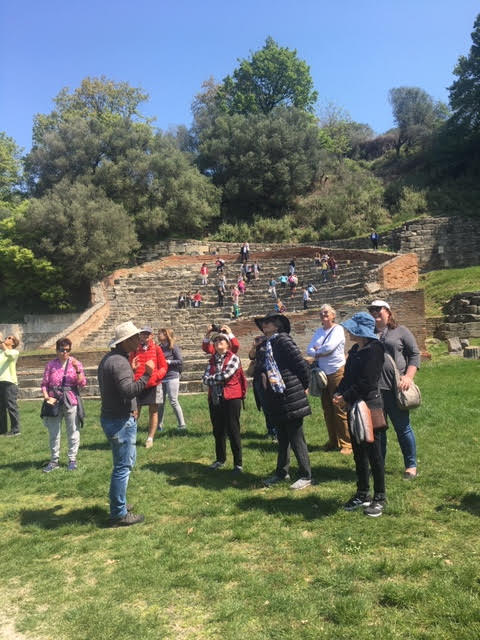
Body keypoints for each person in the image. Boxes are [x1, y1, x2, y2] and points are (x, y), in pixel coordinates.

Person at [98, 321, 154, 527]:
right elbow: (128, 390)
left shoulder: (111, 359)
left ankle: (118, 504)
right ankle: (118, 513)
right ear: (125, 341)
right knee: (123, 467)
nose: (139, 340)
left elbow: (118, 388)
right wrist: (147, 373)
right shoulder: (119, 362)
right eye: (135, 338)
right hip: (120, 421)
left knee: (122, 465)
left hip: (114, 417)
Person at [333, 312, 386, 517]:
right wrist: (339, 391)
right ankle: (362, 492)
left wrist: (345, 396)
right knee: (359, 452)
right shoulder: (356, 350)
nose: (348, 333)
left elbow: (367, 382)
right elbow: (348, 376)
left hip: (370, 405)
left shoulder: (375, 350)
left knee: (374, 453)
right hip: (354, 404)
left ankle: (379, 496)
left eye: (352, 329)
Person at [255, 313, 313, 490]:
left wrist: (304, 386)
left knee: (296, 437)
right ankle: (282, 471)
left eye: (268, 323)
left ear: (277, 326)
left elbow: (301, 365)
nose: (264, 325)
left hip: (290, 392)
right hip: (276, 395)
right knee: (282, 437)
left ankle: (306, 474)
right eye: (263, 323)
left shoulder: (283, 341)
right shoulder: (266, 344)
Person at [368, 299, 420, 479]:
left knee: (402, 428)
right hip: (375, 389)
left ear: (388, 312)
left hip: (395, 388)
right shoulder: (369, 333)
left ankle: (411, 466)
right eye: (371, 310)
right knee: (378, 430)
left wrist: (408, 377)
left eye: (377, 309)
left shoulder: (401, 331)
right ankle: (379, 465)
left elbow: (414, 354)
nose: (374, 312)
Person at [306, 304, 351, 454]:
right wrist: (318, 352)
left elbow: (330, 347)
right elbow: (309, 350)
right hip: (322, 374)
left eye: (326, 313)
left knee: (339, 406)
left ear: (333, 315)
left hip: (337, 370)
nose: (323, 315)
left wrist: (317, 351)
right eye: (321, 313)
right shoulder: (319, 331)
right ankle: (333, 441)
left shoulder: (338, 329)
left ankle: (347, 443)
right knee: (327, 408)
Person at [40, 338, 86, 472]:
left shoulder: (76, 363)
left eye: (67, 350)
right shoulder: (50, 365)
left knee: (73, 430)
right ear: (56, 350)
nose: (65, 352)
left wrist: (78, 370)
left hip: (70, 399)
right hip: (53, 400)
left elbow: (82, 383)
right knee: (54, 432)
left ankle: (72, 459)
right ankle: (54, 460)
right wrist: (47, 397)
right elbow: (44, 384)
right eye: (62, 349)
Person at [202, 332, 246, 473]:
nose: (218, 341)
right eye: (216, 340)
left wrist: (212, 378)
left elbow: (226, 375)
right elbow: (204, 378)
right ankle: (220, 459)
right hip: (215, 398)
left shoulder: (233, 358)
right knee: (218, 430)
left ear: (228, 344)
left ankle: (238, 463)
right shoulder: (212, 360)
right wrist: (215, 378)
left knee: (233, 430)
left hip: (231, 397)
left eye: (222, 339)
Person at [130, 327, 167, 448]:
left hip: (153, 384)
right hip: (138, 384)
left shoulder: (157, 349)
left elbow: (163, 367)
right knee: (135, 412)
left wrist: (156, 376)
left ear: (151, 336)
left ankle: (150, 438)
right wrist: (133, 369)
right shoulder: (135, 350)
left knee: (153, 411)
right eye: (143, 334)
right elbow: (130, 365)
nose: (145, 336)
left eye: (147, 334)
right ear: (140, 336)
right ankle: (131, 437)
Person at [157, 328, 186, 433]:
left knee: (173, 401)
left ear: (167, 335)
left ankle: (182, 425)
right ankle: (159, 425)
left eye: (160, 333)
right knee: (160, 403)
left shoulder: (173, 347)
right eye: (158, 333)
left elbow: (180, 361)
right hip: (161, 378)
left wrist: (168, 361)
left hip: (172, 376)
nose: (158, 335)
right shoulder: (158, 348)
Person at [0, 333, 21, 437]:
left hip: (10, 383)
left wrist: (0, 341)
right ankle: (2, 430)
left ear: (13, 343)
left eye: (9, 338)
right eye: (6, 337)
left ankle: (15, 430)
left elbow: (8, 354)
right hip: (0, 382)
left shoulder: (14, 352)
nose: (6, 338)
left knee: (11, 406)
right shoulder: (1, 352)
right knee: (1, 408)